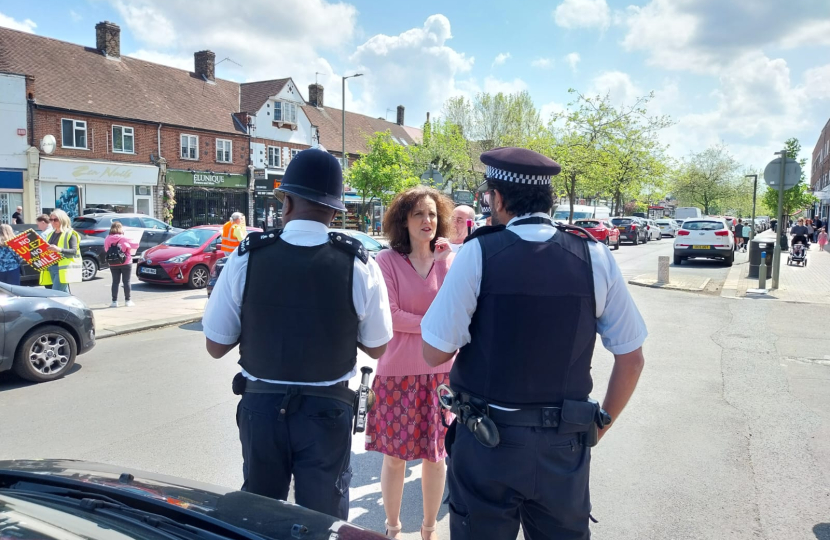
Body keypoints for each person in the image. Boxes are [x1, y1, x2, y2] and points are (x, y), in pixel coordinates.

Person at [421, 147, 648, 540]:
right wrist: (599, 425)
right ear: (549, 200)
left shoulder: (479, 252)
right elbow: (632, 358)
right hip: (564, 445)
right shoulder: (594, 255)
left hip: (487, 443)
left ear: (500, 199)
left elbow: (435, 351)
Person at [202, 148, 393, 520]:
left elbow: (216, 345)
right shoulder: (358, 262)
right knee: (323, 519)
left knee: (259, 515)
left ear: (286, 202)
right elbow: (377, 345)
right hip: (327, 411)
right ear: (335, 210)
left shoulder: (247, 255)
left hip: (262, 408)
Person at [364, 186, 455, 540]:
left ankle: (429, 529)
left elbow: (460, 312)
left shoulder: (449, 261)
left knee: (436, 458)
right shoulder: (385, 262)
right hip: (396, 374)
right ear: (403, 219)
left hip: (442, 375)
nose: (427, 220)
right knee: (394, 458)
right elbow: (392, 316)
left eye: (432, 213)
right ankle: (392, 528)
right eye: (418, 213)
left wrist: (454, 258)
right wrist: (436, 324)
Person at [41, 209, 82, 293]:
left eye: (55, 219)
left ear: (62, 219)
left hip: (63, 269)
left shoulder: (70, 233)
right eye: (51, 220)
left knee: (55, 294)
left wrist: (59, 249)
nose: (53, 222)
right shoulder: (50, 234)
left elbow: (74, 251)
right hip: (52, 267)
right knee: (64, 295)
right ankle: (72, 306)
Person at [104, 221, 137, 307]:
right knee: (126, 281)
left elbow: (106, 249)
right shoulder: (124, 238)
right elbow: (136, 245)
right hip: (126, 262)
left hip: (113, 262)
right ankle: (128, 301)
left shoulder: (107, 238)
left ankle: (114, 302)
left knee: (115, 282)